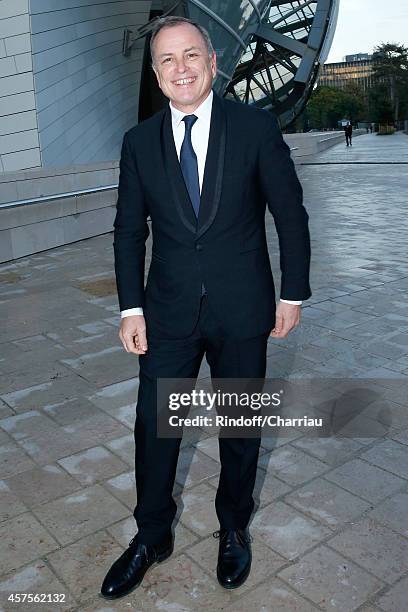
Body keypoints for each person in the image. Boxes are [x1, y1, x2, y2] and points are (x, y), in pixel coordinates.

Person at [101, 15, 311, 600]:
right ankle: (151, 535)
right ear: (157, 74)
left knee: (239, 428)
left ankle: (234, 528)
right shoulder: (138, 142)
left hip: (243, 309)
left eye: (190, 55)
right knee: (154, 429)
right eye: (167, 60)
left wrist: (292, 293)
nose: (181, 68)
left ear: (212, 62)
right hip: (166, 313)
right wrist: (129, 308)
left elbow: (289, 214)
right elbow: (127, 232)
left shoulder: (256, 127)